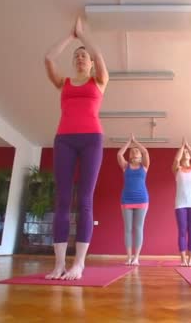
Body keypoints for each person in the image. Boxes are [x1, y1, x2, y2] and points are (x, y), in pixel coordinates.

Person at [44, 17, 108, 280]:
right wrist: (70, 37)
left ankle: (79, 264)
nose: (81, 58)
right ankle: (59, 264)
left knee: (85, 199)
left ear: (90, 63)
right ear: (74, 63)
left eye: (84, 56)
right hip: (65, 140)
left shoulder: (99, 81)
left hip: (92, 139)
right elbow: (48, 58)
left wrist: (84, 37)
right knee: (62, 199)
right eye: (77, 56)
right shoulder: (65, 84)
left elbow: (98, 53)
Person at [117, 134, 150, 266]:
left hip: (142, 199)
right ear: (129, 156)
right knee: (128, 229)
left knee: (138, 228)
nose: (135, 151)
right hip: (126, 199)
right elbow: (119, 154)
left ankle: (136, 257)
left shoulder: (145, 166)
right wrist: (128, 142)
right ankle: (129, 257)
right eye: (132, 151)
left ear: (141, 156)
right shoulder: (125, 166)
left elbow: (145, 151)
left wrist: (136, 142)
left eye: (137, 151)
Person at [172, 138, 191, 267]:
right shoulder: (177, 169)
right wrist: (182, 147)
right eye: (184, 152)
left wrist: (188, 147)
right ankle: (183, 259)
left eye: (187, 153)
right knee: (182, 231)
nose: (186, 154)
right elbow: (176, 160)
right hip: (180, 204)